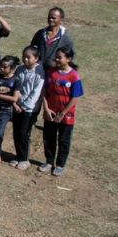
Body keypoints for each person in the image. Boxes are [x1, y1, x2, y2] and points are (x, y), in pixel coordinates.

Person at [39, 47, 82, 177]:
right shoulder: (51, 72)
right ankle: (49, 161)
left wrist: (63, 113)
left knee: (64, 140)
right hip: (51, 113)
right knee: (48, 138)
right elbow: (44, 91)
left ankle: (60, 165)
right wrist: (46, 108)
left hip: (66, 115)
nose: (56, 59)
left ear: (68, 59)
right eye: (56, 57)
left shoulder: (74, 76)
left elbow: (75, 98)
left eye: (59, 57)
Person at [10, 46, 45, 170]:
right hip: (17, 106)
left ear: (36, 58)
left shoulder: (39, 72)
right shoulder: (20, 69)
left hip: (29, 109)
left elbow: (36, 93)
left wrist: (24, 106)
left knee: (24, 133)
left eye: (28, 57)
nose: (25, 59)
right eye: (24, 56)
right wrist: (15, 103)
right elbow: (15, 86)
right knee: (16, 132)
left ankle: (24, 159)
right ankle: (18, 156)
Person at [31, 7, 75, 72]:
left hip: (55, 73)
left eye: (54, 18)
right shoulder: (40, 34)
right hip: (38, 71)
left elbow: (70, 58)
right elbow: (31, 50)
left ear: (61, 20)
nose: (51, 19)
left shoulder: (66, 39)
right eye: (49, 17)